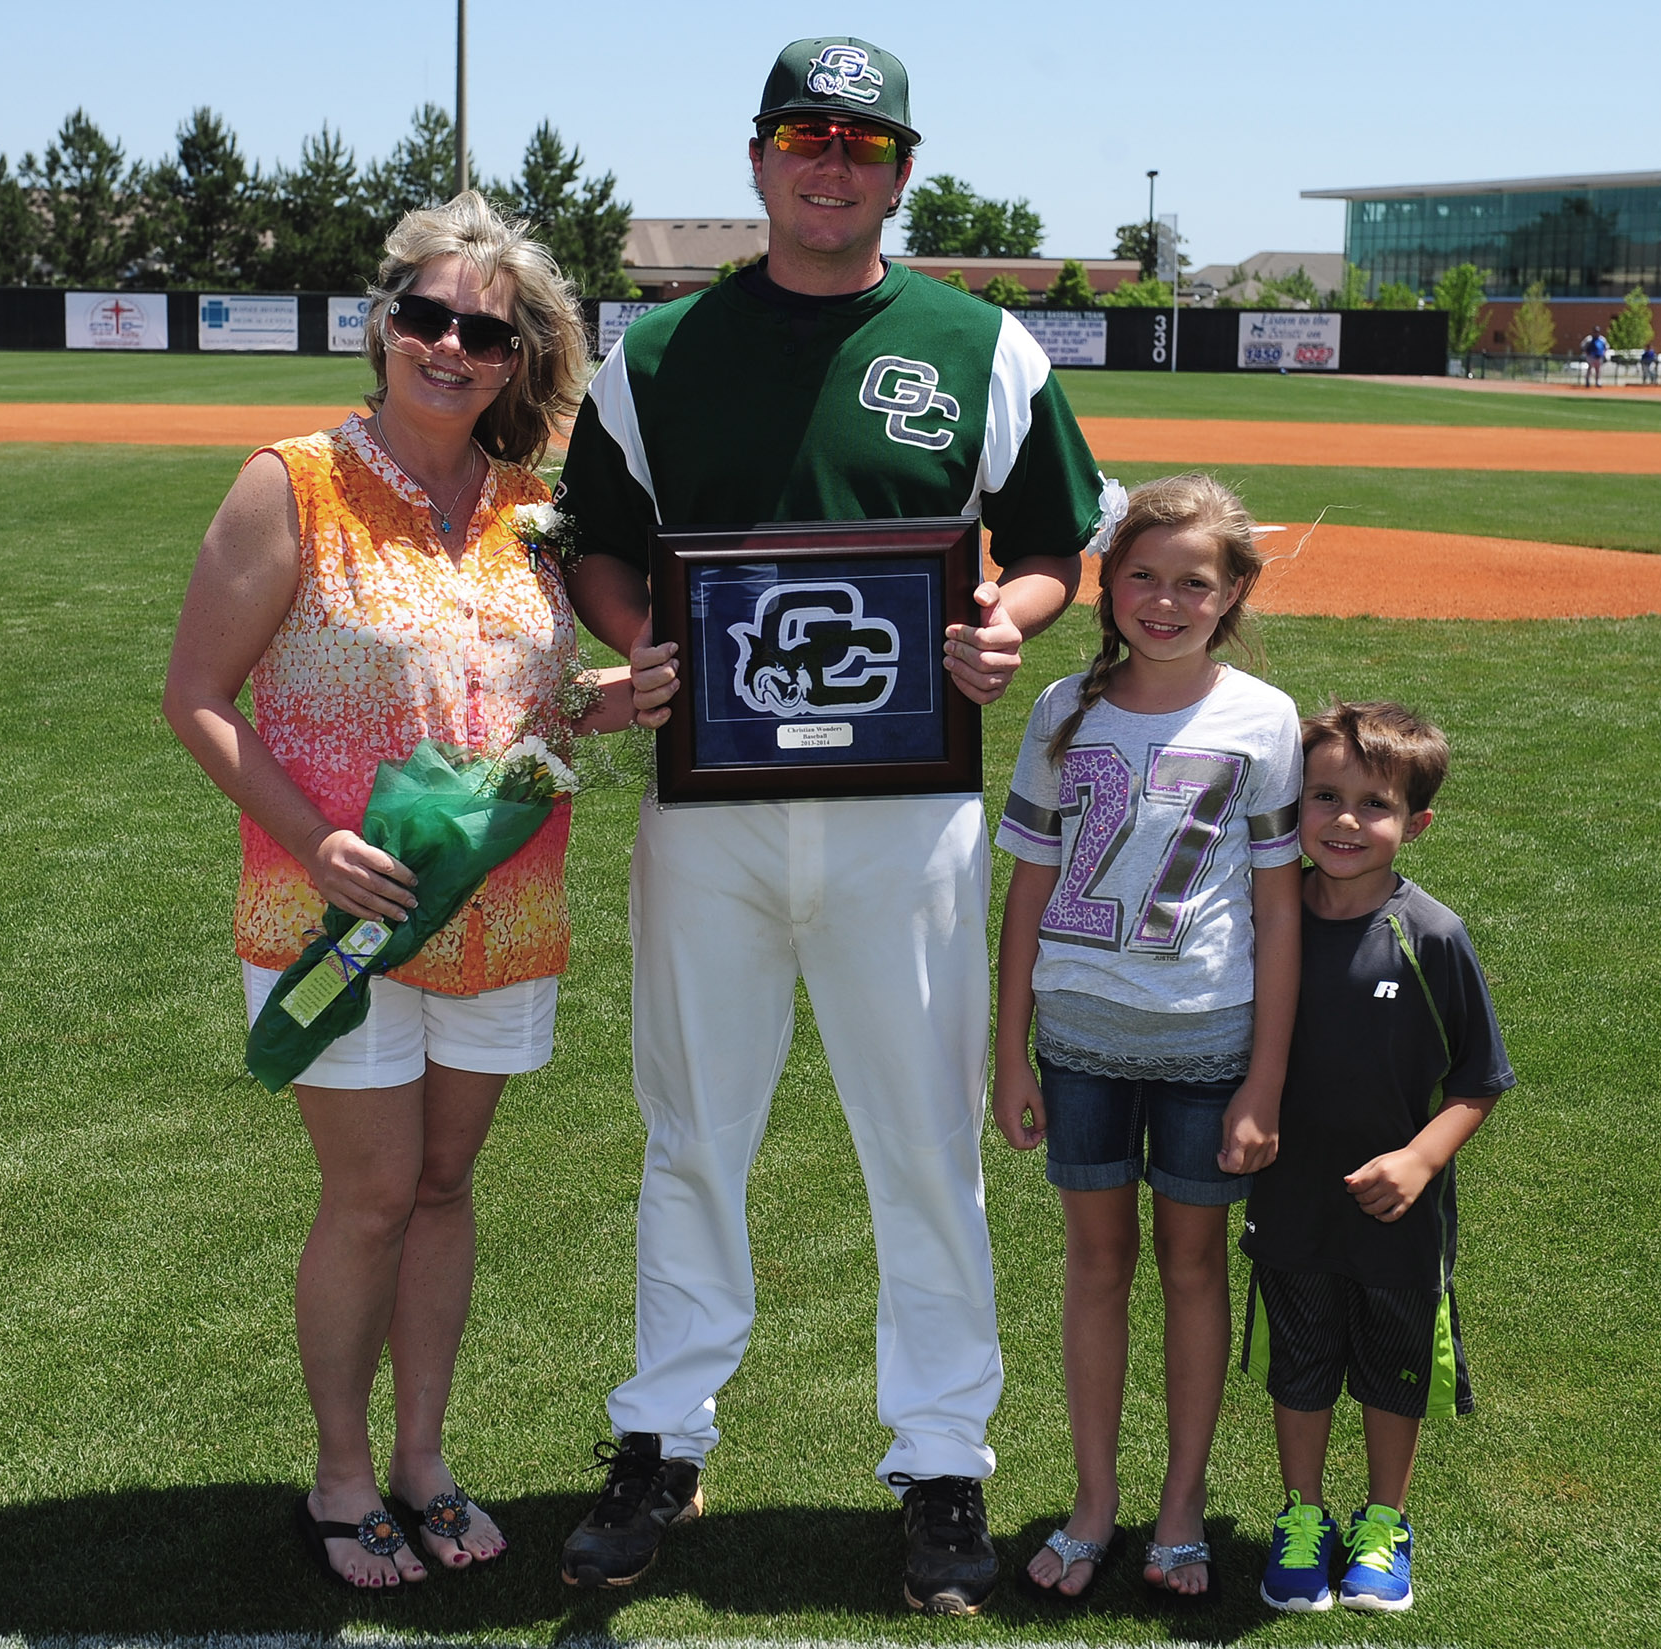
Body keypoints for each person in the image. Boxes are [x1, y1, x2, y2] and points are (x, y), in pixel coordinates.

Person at [552, 35, 1117, 1615]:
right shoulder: (656, 350)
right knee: (692, 1134)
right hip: (710, 810)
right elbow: (600, 543)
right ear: (755, 158)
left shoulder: (976, 341)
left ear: (901, 171)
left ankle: (943, 1463)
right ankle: (662, 1435)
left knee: (925, 1142)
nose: (830, 163)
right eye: (804, 134)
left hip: (906, 810)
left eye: (862, 144)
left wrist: (1007, 618)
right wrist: (632, 647)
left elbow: (1059, 540)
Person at [162, 193, 606, 1589]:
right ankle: (342, 1474)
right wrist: (309, 840)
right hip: (335, 914)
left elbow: (527, 700)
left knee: (444, 1180)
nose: (452, 345)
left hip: (503, 906)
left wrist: (605, 700)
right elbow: (197, 698)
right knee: (366, 1196)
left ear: (518, 356)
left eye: (486, 330)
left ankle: (424, 1455)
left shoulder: (541, 510)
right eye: (429, 316)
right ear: (384, 323)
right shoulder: (290, 482)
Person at [992, 474, 1302, 1602]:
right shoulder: (1064, 707)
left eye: (1193, 582)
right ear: (1106, 581)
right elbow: (1026, 890)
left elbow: (1276, 907)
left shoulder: (1263, 717)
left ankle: (1180, 1505)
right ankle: (1091, 1500)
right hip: (1077, 1036)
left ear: (1235, 595)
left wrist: (1263, 1077)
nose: (1164, 601)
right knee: (1094, 1265)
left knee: (1193, 1267)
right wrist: (1009, 1049)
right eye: (1143, 576)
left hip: (1205, 1045)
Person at [1243, 700, 1514, 1615]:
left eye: (1374, 804)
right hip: (1290, 1204)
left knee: (1394, 1366)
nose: (1346, 820)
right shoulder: (1263, 918)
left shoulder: (1431, 933)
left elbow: (1479, 1079)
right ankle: (1302, 1515)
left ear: (1417, 824)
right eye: (1324, 795)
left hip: (1398, 1218)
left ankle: (1384, 1523)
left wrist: (1421, 1161)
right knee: (1304, 1361)